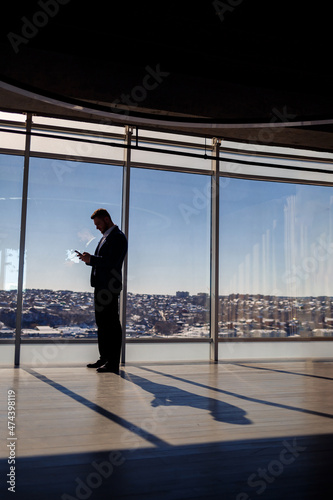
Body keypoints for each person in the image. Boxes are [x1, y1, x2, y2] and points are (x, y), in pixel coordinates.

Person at [78, 208, 128, 373]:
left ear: (106, 219)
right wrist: (89, 259)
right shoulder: (105, 238)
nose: (97, 227)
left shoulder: (118, 237)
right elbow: (104, 261)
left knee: (111, 324)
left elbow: (112, 262)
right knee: (103, 324)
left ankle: (113, 363)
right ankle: (104, 358)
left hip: (109, 287)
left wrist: (91, 259)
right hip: (101, 286)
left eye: (98, 223)